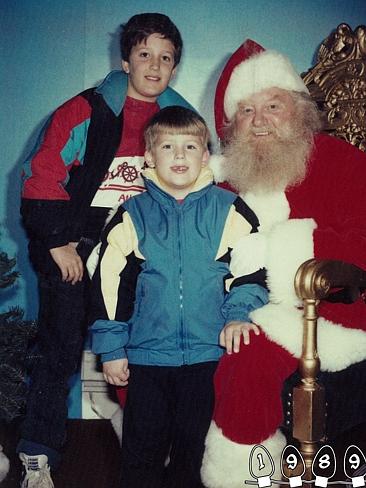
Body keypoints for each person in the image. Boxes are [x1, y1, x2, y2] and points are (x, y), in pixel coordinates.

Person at [18, 12, 194, 487]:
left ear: (175, 67)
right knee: (60, 349)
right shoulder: (87, 108)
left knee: (154, 351)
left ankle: (151, 446)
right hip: (79, 238)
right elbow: (43, 173)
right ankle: (38, 453)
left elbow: (197, 188)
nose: (154, 67)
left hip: (143, 244)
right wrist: (57, 243)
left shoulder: (182, 119)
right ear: (126, 59)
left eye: (166, 58)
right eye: (144, 55)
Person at [201, 39, 366, 488]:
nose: (260, 121)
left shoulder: (345, 162)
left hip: (329, 310)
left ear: (299, 110)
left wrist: (287, 250)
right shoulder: (219, 178)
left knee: (247, 355)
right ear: (232, 124)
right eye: (247, 111)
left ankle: (241, 474)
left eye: (273, 105)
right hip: (238, 305)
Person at [89, 106, 269, 488]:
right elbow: (108, 284)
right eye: (168, 146)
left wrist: (239, 314)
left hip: (207, 357)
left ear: (205, 156)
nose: (180, 155)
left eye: (190, 146)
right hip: (147, 357)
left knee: (192, 452)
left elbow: (252, 270)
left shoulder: (230, 210)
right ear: (150, 157)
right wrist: (112, 347)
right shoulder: (131, 215)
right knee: (142, 452)